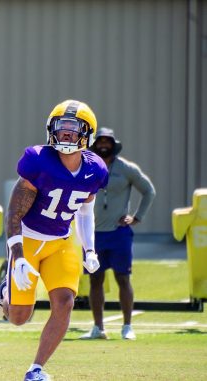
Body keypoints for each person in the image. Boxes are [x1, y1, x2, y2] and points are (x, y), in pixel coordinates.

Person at [0, 100, 109, 381]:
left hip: (62, 241)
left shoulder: (96, 170)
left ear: (87, 134)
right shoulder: (38, 161)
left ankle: (36, 369)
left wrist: (90, 249)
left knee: (65, 300)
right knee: (19, 318)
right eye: (62, 128)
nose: (66, 134)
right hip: (28, 240)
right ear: (51, 130)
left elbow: (85, 209)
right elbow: (14, 214)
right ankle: (4, 292)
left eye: (73, 129)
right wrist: (17, 257)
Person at [79, 127, 156, 341]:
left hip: (118, 233)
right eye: (100, 141)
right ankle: (98, 328)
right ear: (95, 145)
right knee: (95, 280)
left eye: (108, 141)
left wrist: (136, 217)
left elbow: (149, 190)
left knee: (123, 278)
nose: (104, 144)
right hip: (93, 234)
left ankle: (127, 326)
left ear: (114, 145)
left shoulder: (126, 168)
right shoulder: (86, 167)